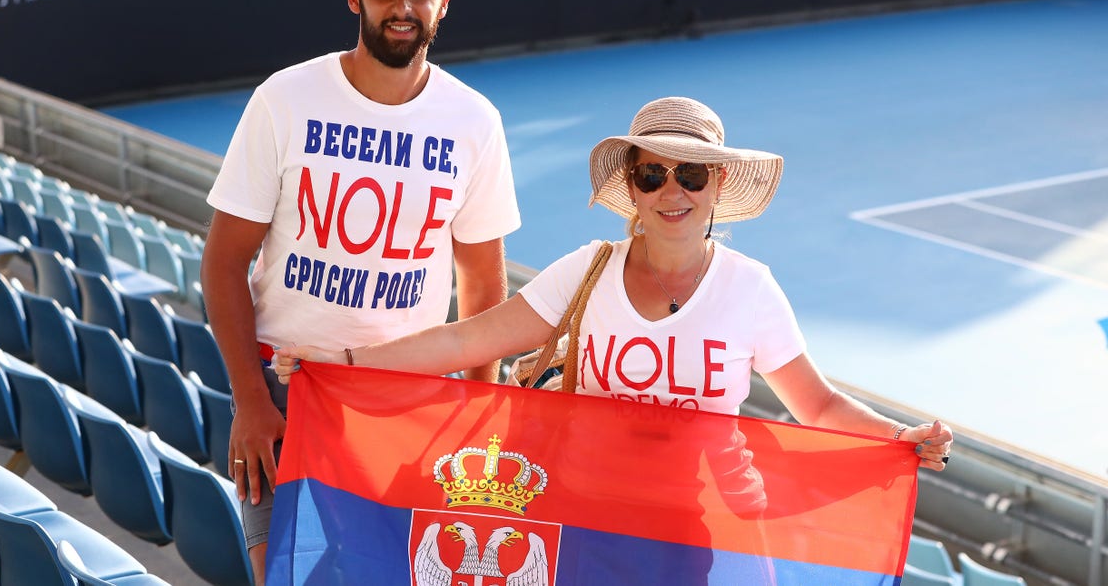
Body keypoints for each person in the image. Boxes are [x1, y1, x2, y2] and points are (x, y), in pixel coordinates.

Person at [273, 96, 954, 474]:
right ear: (631, 186)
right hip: (582, 507)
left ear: (718, 183)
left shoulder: (751, 289)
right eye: (653, 175)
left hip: (698, 525)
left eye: (691, 175)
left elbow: (820, 406)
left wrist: (899, 437)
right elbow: (467, 338)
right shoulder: (589, 268)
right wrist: (342, 365)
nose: (672, 192)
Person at [200, 0, 520, 584]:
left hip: (409, 399)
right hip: (288, 392)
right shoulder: (285, 99)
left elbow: (482, 281)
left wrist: (486, 415)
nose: (402, 6)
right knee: (286, 575)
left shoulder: (474, 121)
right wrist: (250, 402)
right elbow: (224, 260)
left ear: (444, 2)